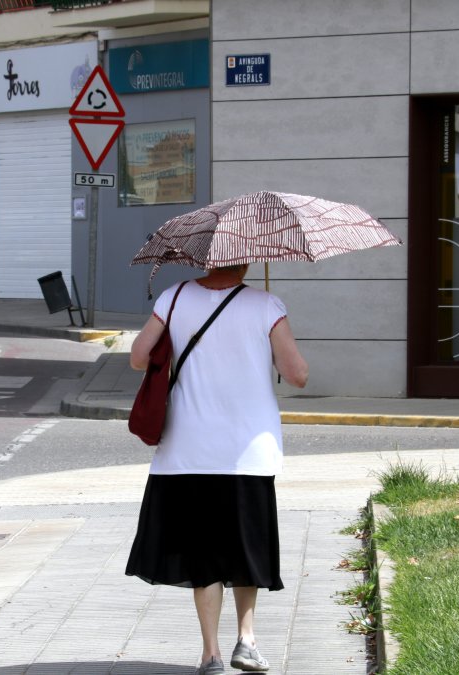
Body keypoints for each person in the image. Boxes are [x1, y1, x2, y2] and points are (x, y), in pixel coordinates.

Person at [125, 263, 309, 675]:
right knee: (246, 544)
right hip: (248, 450)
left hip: (188, 448)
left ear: (205, 258)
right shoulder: (265, 305)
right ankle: (247, 640)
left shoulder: (172, 298)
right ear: (245, 259)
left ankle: (211, 654)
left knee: (203, 549)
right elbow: (297, 374)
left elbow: (139, 358)